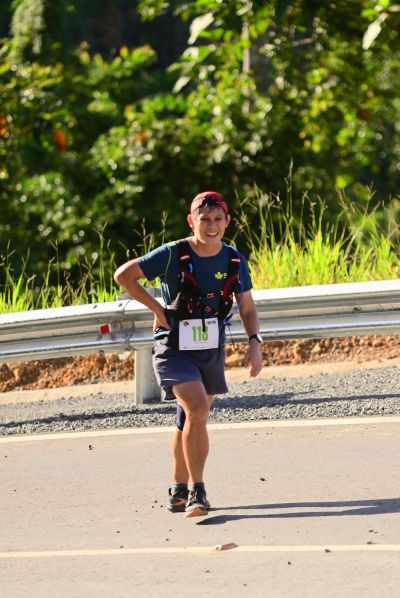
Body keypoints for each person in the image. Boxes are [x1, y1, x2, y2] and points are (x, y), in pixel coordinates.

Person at [114, 191, 263, 517]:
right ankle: (198, 492)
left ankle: (178, 488)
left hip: (210, 348)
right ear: (191, 221)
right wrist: (157, 309)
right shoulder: (173, 253)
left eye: (218, 219)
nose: (211, 226)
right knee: (197, 408)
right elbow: (124, 275)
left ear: (227, 222)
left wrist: (254, 342)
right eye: (204, 219)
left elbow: (248, 307)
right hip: (173, 347)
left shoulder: (234, 259)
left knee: (189, 418)